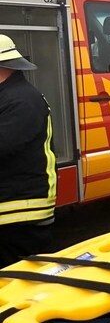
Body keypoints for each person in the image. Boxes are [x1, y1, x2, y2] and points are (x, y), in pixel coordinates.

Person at [0, 34, 57, 268]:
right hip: (12, 211)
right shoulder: (9, 96)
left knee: (20, 286)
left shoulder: (21, 100)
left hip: (20, 213)